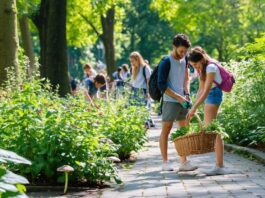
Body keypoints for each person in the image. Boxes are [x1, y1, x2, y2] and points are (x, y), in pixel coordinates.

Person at [157, 33, 197, 171]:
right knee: (166, 130)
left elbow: (186, 79)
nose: (183, 54)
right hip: (170, 100)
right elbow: (162, 86)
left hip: (183, 100)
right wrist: (178, 97)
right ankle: (165, 162)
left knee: (183, 131)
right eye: (181, 51)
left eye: (185, 51)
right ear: (174, 47)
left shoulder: (185, 59)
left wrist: (186, 94)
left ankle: (184, 162)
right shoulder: (165, 61)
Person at [186, 46, 226, 175]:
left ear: (202, 59)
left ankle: (219, 166)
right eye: (193, 66)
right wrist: (193, 106)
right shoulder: (202, 69)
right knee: (213, 129)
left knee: (212, 129)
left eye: (196, 64)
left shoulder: (211, 68)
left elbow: (207, 90)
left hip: (214, 95)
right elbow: (200, 90)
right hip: (209, 96)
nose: (195, 68)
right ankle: (219, 165)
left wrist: (194, 108)